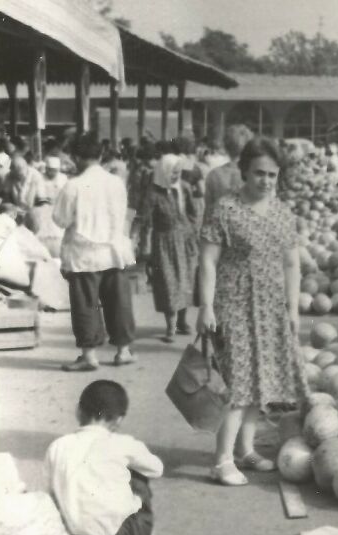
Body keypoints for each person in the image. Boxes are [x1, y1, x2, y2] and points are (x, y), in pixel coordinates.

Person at [197, 137, 308, 486]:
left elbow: (292, 264)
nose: (265, 181)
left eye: (272, 175)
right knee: (238, 385)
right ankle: (222, 460)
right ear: (244, 171)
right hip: (232, 307)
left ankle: (245, 449)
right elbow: (208, 261)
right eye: (259, 173)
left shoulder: (282, 212)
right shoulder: (225, 209)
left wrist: (293, 309)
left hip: (269, 308)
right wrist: (205, 306)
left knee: (259, 384)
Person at [45, 380, 162, 535]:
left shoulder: (57, 446)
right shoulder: (122, 443)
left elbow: (50, 495)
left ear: (78, 411)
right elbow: (157, 468)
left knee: (64, 488)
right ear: (118, 419)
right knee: (138, 477)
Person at [53, 133, 136, 371]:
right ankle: (123, 351)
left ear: (77, 157)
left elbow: (60, 219)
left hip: (83, 254)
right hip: (114, 251)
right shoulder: (116, 183)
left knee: (85, 304)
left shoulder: (73, 186)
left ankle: (89, 356)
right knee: (119, 302)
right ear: (100, 155)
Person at [144, 154, 199, 342]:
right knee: (168, 283)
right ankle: (171, 326)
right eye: (173, 172)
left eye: (178, 172)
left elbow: (193, 212)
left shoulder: (184, 188)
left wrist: (191, 229)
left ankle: (182, 322)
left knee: (185, 281)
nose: (176, 175)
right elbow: (143, 217)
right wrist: (142, 242)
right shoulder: (153, 192)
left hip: (184, 242)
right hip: (163, 243)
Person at [203, 124, 252, 220]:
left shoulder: (214, 175)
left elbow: (208, 210)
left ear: (225, 147)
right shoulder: (253, 175)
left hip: (220, 225)